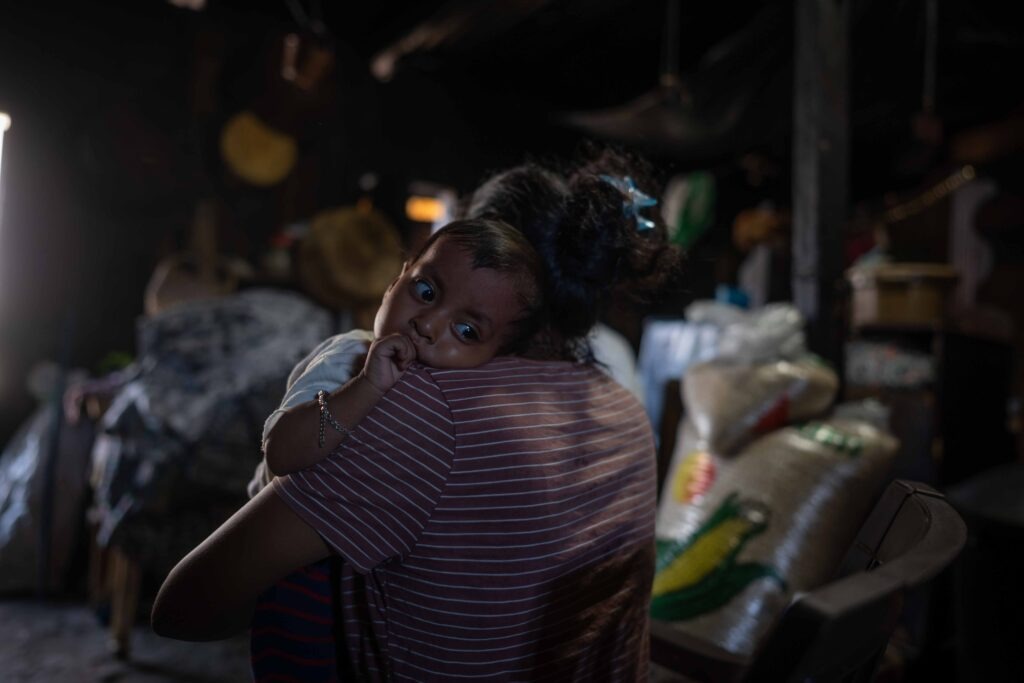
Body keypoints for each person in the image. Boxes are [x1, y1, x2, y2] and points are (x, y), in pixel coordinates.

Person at [152, 151, 682, 682]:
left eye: (467, 327)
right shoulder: (627, 410)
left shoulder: (427, 406)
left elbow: (184, 605)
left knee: (303, 579)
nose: (427, 327)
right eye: (425, 291)